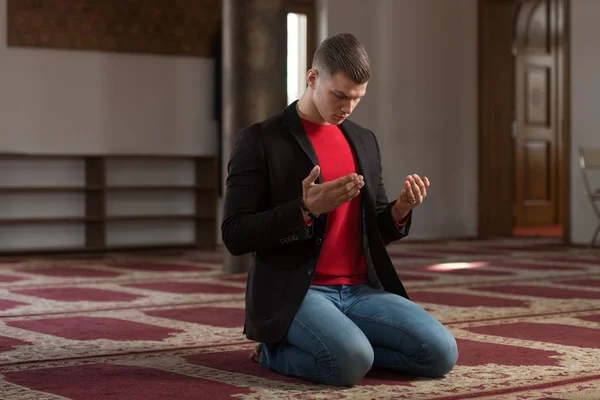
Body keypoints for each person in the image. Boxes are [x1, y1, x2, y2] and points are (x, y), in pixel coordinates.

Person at [221, 32, 458, 387]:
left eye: (357, 98)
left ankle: (350, 347)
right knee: (349, 363)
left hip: (361, 291)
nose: (348, 107)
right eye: (340, 95)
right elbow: (234, 234)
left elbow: (375, 226)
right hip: (297, 292)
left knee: (441, 354)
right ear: (312, 77)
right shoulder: (260, 139)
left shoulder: (363, 139)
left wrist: (400, 210)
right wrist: (303, 209)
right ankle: (275, 351)